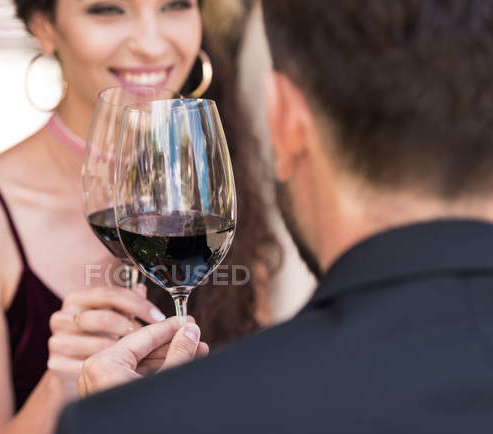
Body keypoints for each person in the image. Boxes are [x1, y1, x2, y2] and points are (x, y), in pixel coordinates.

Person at [51, 0, 493, 432]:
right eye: (107, 9)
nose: (149, 43)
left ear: (283, 120)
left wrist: (141, 414)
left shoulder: (136, 418)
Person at [0, 0, 278, 432]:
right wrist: (63, 386)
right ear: (44, 26)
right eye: (107, 10)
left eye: (176, 5)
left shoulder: (213, 181)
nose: (150, 43)